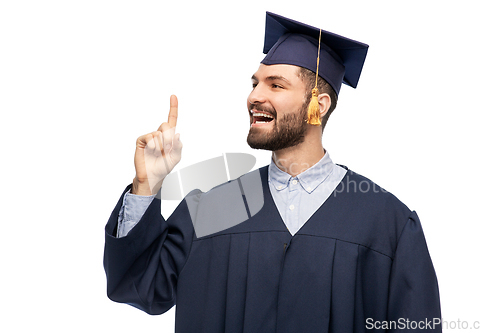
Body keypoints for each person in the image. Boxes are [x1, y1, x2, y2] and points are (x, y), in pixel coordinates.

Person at [104, 12, 442, 332]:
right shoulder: (214, 210)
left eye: (275, 85)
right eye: (255, 84)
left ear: (318, 106)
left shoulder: (387, 224)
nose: (254, 96)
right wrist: (146, 184)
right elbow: (137, 287)